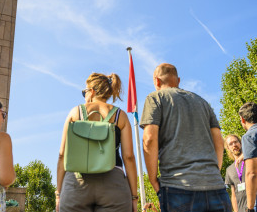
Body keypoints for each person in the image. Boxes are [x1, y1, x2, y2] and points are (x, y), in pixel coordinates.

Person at [141, 63, 231, 212]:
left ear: (156, 81)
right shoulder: (202, 102)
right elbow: (219, 141)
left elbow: (149, 138)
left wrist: (153, 180)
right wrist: (214, 171)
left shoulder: (155, 98)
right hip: (215, 186)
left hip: (178, 186)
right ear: (178, 80)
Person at [56, 72, 138, 212]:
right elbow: (128, 157)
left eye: (85, 92)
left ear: (92, 91)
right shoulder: (121, 116)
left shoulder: (75, 112)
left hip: (77, 181)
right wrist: (134, 197)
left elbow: (62, 155)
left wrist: (58, 194)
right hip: (113, 183)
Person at [224, 134, 247, 212]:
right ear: (228, 148)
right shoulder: (229, 170)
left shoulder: (250, 160)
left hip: (256, 206)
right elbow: (233, 194)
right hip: (241, 209)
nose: (234, 145)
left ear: (240, 143)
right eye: (230, 144)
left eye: (235, 142)